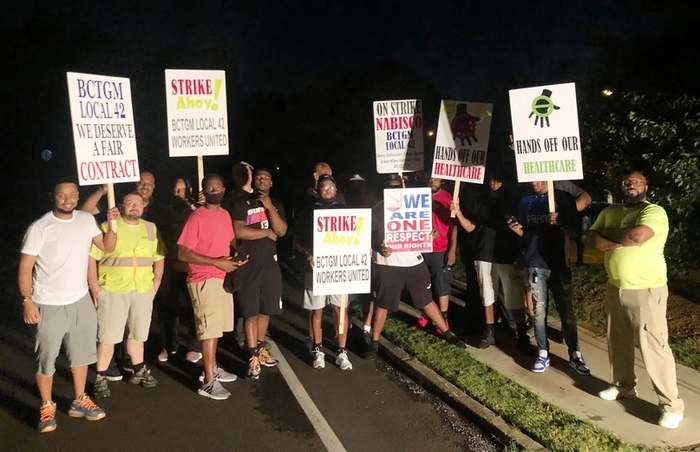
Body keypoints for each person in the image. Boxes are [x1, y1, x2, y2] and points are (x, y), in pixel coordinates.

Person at [586, 170, 684, 429]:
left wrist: (610, 234)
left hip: (646, 289)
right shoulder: (610, 211)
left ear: (645, 187)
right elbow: (592, 240)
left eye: (636, 182)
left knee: (654, 346)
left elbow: (638, 236)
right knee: (617, 340)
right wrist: (621, 237)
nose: (630, 185)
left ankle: (671, 405)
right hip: (615, 286)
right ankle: (623, 386)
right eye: (626, 182)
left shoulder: (653, 211)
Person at [19, 180, 119, 432]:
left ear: (77, 196)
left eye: (72, 195)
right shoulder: (40, 227)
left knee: (81, 353)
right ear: (53, 197)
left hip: (79, 298)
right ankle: (46, 405)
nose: (68, 200)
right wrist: (27, 301)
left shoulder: (86, 220)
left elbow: (107, 247)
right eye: (62, 195)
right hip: (48, 302)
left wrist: (113, 225)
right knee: (47, 358)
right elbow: (25, 267)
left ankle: (79, 399)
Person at [364, 175, 467, 360]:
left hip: (413, 262)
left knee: (426, 299)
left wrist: (430, 235)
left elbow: (423, 230)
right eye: (390, 188)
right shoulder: (377, 210)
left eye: (397, 187)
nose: (394, 191)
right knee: (383, 303)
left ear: (403, 187)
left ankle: (447, 333)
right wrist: (379, 247)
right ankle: (374, 343)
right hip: (388, 264)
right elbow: (367, 236)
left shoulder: (415, 206)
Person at [508, 181, 590, 375]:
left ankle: (575, 353)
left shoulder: (562, 199)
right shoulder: (525, 201)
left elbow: (576, 232)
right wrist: (517, 230)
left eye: (539, 179)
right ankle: (543, 352)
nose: (534, 183)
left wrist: (560, 222)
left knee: (566, 311)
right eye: (532, 180)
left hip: (559, 264)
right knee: (539, 311)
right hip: (535, 263)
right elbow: (525, 233)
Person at [89, 192, 165, 398]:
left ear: (144, 206)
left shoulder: (151, 228)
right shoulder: (108, 226)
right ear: (121, 206)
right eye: (129, 203)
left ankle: (139, 369)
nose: (134, 206)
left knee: (138, 334)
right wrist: (94, 286)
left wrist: (156, 283)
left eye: (138, 203)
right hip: (113, 289)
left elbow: (159, 256)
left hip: (142, 289)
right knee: (108, 336)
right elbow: (92, 257)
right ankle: (100, 377)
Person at [178, 174, 246, 400]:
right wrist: (217, 262)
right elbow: (183, 253)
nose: (214, 191)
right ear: (204, 191)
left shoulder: (225, 215)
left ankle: (212, 368)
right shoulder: (196, 217)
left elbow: (228, 242)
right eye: (210, 188)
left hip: (222, 277)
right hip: (203, 278)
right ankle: (207, 381)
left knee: (216, 329)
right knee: (208, 330)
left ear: (224, 189)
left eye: (218, 187)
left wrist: (237, 255)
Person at [450, 172, 533, 353]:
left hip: (506, 254)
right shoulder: (479, 201)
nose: (495, 182)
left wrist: (520, 251)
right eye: (493, 179)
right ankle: (489, 332)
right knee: (487, 294)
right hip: (483, 253)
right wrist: (458, 213)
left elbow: (521, 229)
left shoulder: (511, 201)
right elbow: (471, 227)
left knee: (514, 295)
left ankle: (522, 335)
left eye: (499, 179)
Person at [230, 168, 288, 379]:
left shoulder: (276, 204)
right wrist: (265, 232)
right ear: (253, 181)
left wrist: (269, 206)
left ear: (271, 183)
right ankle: (252, 356)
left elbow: (281, 231)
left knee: (266, 310)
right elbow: (239, 231)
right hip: (249, 266)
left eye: (266, 177)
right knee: (250, 313)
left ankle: (261, 348)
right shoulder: (241, 203)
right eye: (258, 177)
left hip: (270, 267)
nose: (262, 180)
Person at [293, 174, 353, 370]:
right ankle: (318, 349)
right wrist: (307, 252)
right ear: (316, 190)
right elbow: (296, 241)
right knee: (316, 310)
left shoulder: (345, 211)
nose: (327, 190)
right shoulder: (308, 211)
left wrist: (363, 249)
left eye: (330, 187)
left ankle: (341, 351)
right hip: (315, 269)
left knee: (340, 310)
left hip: (339, 268)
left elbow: (356, 237)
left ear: (336, 190)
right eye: (323, 187)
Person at [157, 178, 203, 364]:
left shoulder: (198, 209)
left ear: (190, 190)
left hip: (193, 266)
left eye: (182, 190)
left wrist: (200, 205)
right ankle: (169, 344)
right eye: (176, 190)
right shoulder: (166, 209)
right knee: (169, 307)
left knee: (194, 307)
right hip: (172, 265)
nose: (178, 194)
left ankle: (194, 346)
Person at [412, 177, 457, 334]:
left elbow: (454, 226)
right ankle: (425, 316)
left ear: (441, 180)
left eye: (436, 179)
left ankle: (443, 320)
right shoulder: (419, 196)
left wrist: (452, 250)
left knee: (441, 285)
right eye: (430, 179)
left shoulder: (448, 198)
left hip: (440, 249)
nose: (432, 182)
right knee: (424, 284)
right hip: (421, 248)